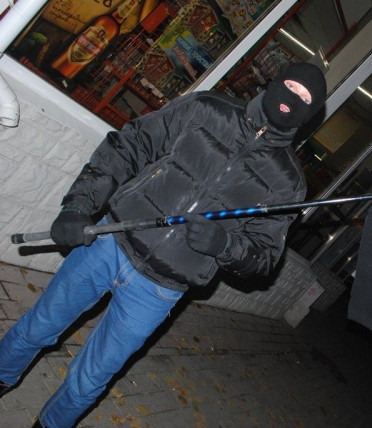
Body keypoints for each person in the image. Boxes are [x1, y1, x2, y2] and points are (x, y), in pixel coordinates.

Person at [0, 62, 327, 428]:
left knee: (90, 379)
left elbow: (263, 258)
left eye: (304, 99)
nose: (291, 100)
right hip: (109, 243)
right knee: (37, 326)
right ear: (275, 81)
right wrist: (79, 205)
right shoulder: (208, 108)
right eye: (291, 87)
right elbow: (131, 145)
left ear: (310, 114)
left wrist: (225, 246)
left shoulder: (288, 183)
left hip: (159, 290)